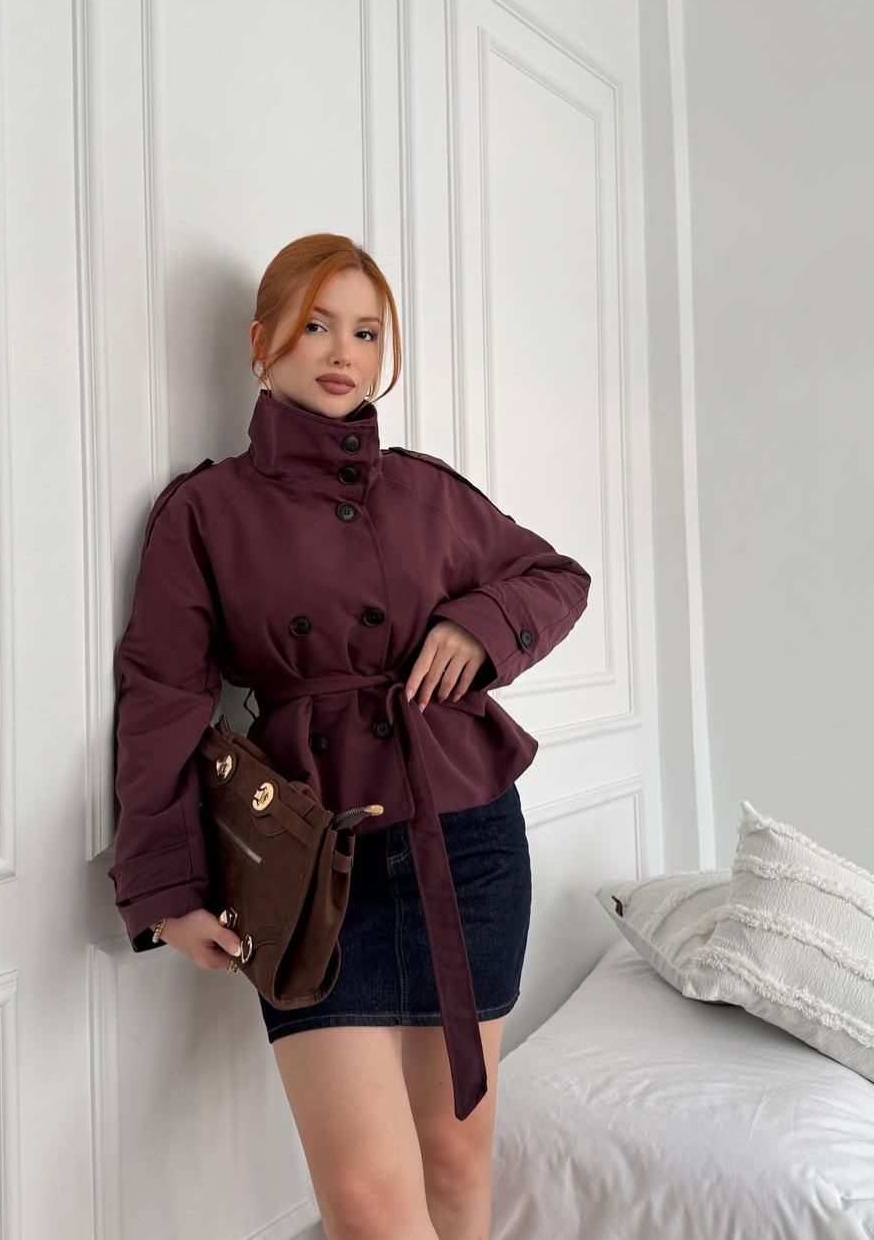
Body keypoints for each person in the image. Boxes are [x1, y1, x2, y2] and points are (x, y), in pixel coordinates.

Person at [108, 232, 591, 1240]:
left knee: (456, 1158)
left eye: (367, 332)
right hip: (313, 868)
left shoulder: (428, 491)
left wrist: (479, 625)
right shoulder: (206, 512)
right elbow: (162, 698)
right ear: (261, 343)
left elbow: (555, 577)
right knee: (366, 1199)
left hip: (466, 838)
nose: (343, 352)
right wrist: (168, 889)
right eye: (317, 325)